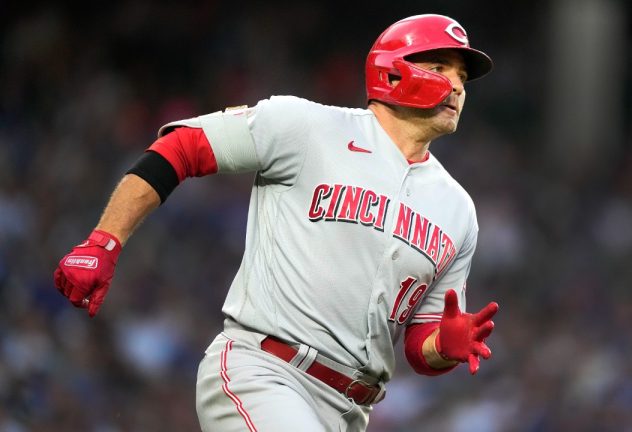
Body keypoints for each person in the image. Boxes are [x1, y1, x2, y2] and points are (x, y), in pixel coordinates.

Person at [53, 13, 500, 431]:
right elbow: (183, 146)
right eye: (441, 67)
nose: (457, 87)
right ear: (394, 70)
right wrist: (104, 242)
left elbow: (418, 344)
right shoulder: (307, 127)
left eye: (462, 77)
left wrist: (442, 347)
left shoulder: (457, 209)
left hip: (350, 411)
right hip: (264, 370)